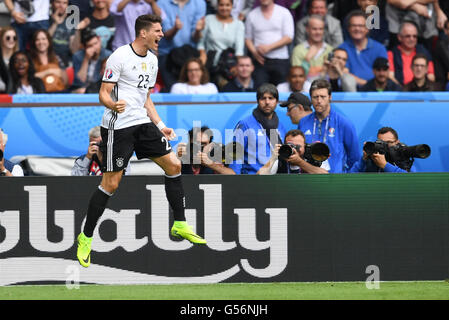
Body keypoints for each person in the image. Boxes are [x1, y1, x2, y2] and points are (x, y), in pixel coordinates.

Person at [76, 14, 206, 269]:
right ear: (143, 33)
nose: (161, 35)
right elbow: (103, 92)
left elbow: (145, 100)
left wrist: (161, 126)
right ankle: (86, 236)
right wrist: (113, 104)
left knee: (174, 165)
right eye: (158, 31)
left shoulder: (154, 61)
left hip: (142, 123)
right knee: (111, 184)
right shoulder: (120, 56)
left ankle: (179, 223)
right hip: (118, 126)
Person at [298, 79, 360, 173]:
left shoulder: (344, 123)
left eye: (323, 97)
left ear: (330, 97)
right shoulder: (303, 122)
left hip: (335, 181)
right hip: (308, 179)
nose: (319, 101)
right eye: (315, 97)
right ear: (311, 98)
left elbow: (354, 158)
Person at [229, 83, 287, 174]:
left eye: (271, 98)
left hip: (276, 180)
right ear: (257, 101)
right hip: (252, 180)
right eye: (263, 98)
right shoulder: (245, 124)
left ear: (276, 101)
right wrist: (235, 179)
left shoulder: (280, 126)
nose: (267, 102)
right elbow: (236, 156)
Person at [157, 0, 206, 91]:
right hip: (168, 56)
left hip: (190, 55)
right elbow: (166, 35)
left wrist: (198, 30)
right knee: (173, 91)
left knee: (193, 90)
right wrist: (175, 29)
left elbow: (196, 38)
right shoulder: (161, 3)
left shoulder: (200, 3)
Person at [244, 0, 294, 86]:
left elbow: (289, 37)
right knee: (260, 92)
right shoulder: (252, 15)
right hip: (260, 61)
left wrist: (269, 47)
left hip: (280, 60)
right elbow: (247, 38)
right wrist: (254, 53)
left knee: (281, 91)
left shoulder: (284, 12)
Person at [338, 10, 388, 87]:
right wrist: (367, 85)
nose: (357, 29)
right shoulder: (342, 49)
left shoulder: (379, 48)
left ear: (367, 29)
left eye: (361, 26)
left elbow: (383, 73)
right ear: (348, 28)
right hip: (351, 92)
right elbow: (344, 74)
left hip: (375, 92)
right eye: (353, 25)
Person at [257, 129, 329, 174]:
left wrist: (300, 162)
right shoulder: (280, 161)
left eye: (298, 147)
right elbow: (257, 178)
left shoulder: (314, 158)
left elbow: (326, 176)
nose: (294, 150)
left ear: (305, 146)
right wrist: (273, 159)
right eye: (291, 146)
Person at [197, 0, 245, 68]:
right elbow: (200, 43)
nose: (224, 8)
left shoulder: (239, 24)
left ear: (231, 6)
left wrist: (237, 67)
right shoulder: (208, 19)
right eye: (221, 5)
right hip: (210, 62)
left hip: (228, 65)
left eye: (227, 5)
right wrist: (202, 54)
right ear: (217, 6)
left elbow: (239, 50)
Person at [349, 127, 417, 173]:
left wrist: (385, 165)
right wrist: (363, 159)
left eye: (389, 142)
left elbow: (411, 180)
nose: (385, 146)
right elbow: (350, 178)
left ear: (397, 142)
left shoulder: (403, 156)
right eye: (381, 143)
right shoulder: (373, 157)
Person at [388, 21, 435, 86]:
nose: (412, 39)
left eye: (414, 36)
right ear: (399, 37)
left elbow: (431, 76)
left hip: (421, 91)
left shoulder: (423, 51)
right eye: (408, 36)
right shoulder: (392, 53)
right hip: (400, 92)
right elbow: (390, 77)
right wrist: (403, 90)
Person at [291, 14, 333, 82]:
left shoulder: (330, 50)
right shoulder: (298, 50)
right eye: (314, 29)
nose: (318, 32)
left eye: (320, 29)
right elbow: (297, 77)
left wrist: (313, 71)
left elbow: (332, 74)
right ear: (307, 29)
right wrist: (307, 59)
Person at [71, 28, 112, 93]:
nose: (94, 48)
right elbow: (80, 81)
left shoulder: (108, 55)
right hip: (81, 89)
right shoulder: (78, 56)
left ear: (99, 40)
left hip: (99, 88)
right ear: (84, 47)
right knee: (81, 91)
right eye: (90, 46)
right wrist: (86, 59)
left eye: (95, 43)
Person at [48, 0, 77, 68]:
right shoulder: (46, 19)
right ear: (52, 3)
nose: (61, 6)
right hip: (50, 59)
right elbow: (45, 41)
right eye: (58, 2)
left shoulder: (71, 22)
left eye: (64, 3)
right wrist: (55, 23)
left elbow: (73, 49)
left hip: (66, 61)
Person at [0, 27, 19, 93]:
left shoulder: (19, 57)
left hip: (16, 94)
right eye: (8, 38)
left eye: (14, 38)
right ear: (1, 39)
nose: (11, 40)